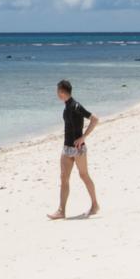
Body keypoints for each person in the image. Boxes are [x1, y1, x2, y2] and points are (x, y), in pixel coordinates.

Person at [49, 79, 101, 220]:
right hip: (67, 148)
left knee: (84, 175)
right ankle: (61, 211)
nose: (57, 94)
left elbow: (95, 119)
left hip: (78, 149)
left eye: (57, 91)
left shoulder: (76, 106)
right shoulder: (67, 106)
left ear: (61, 92)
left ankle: (95, 205)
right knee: (64, 178)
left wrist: (83, 137)